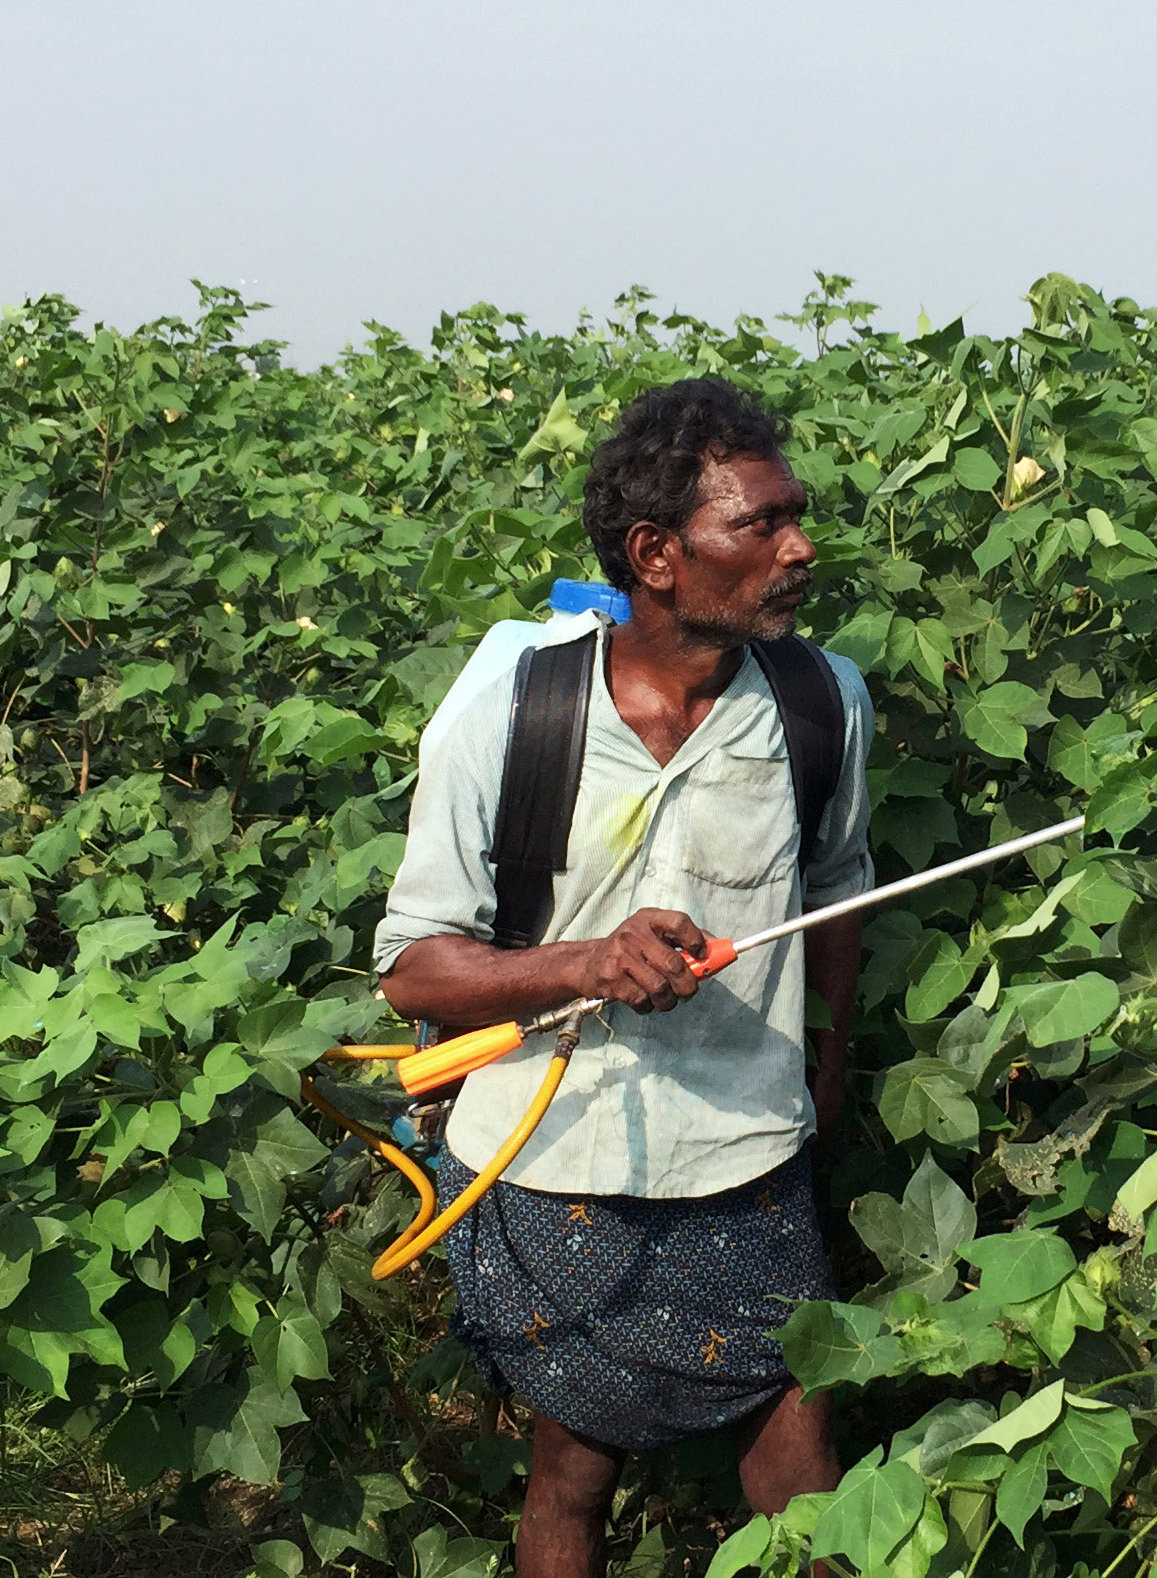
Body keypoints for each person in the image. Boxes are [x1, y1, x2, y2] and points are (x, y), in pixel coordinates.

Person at [373, 378, 871, 1578]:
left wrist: (829, 1058)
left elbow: (841, 892)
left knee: (805, 1481)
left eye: (796, 514)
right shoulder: (512, 710)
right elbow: (415, 967)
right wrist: (590, 962)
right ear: (656, 554)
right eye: (761, 525)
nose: (800, 548)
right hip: (552, 1165)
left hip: (747, 1155)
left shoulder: (818, 703)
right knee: (572, 1477)